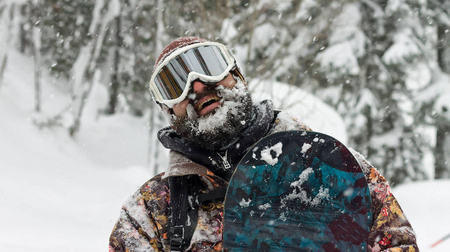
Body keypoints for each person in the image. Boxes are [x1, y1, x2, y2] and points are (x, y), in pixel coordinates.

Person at [109, 37, 419, 251]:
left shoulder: (329, 165)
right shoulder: (152, 210)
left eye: (209, 65)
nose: (199, 85)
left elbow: (396, 243)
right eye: (175, 84)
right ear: (168, 111)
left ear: (238, 76)